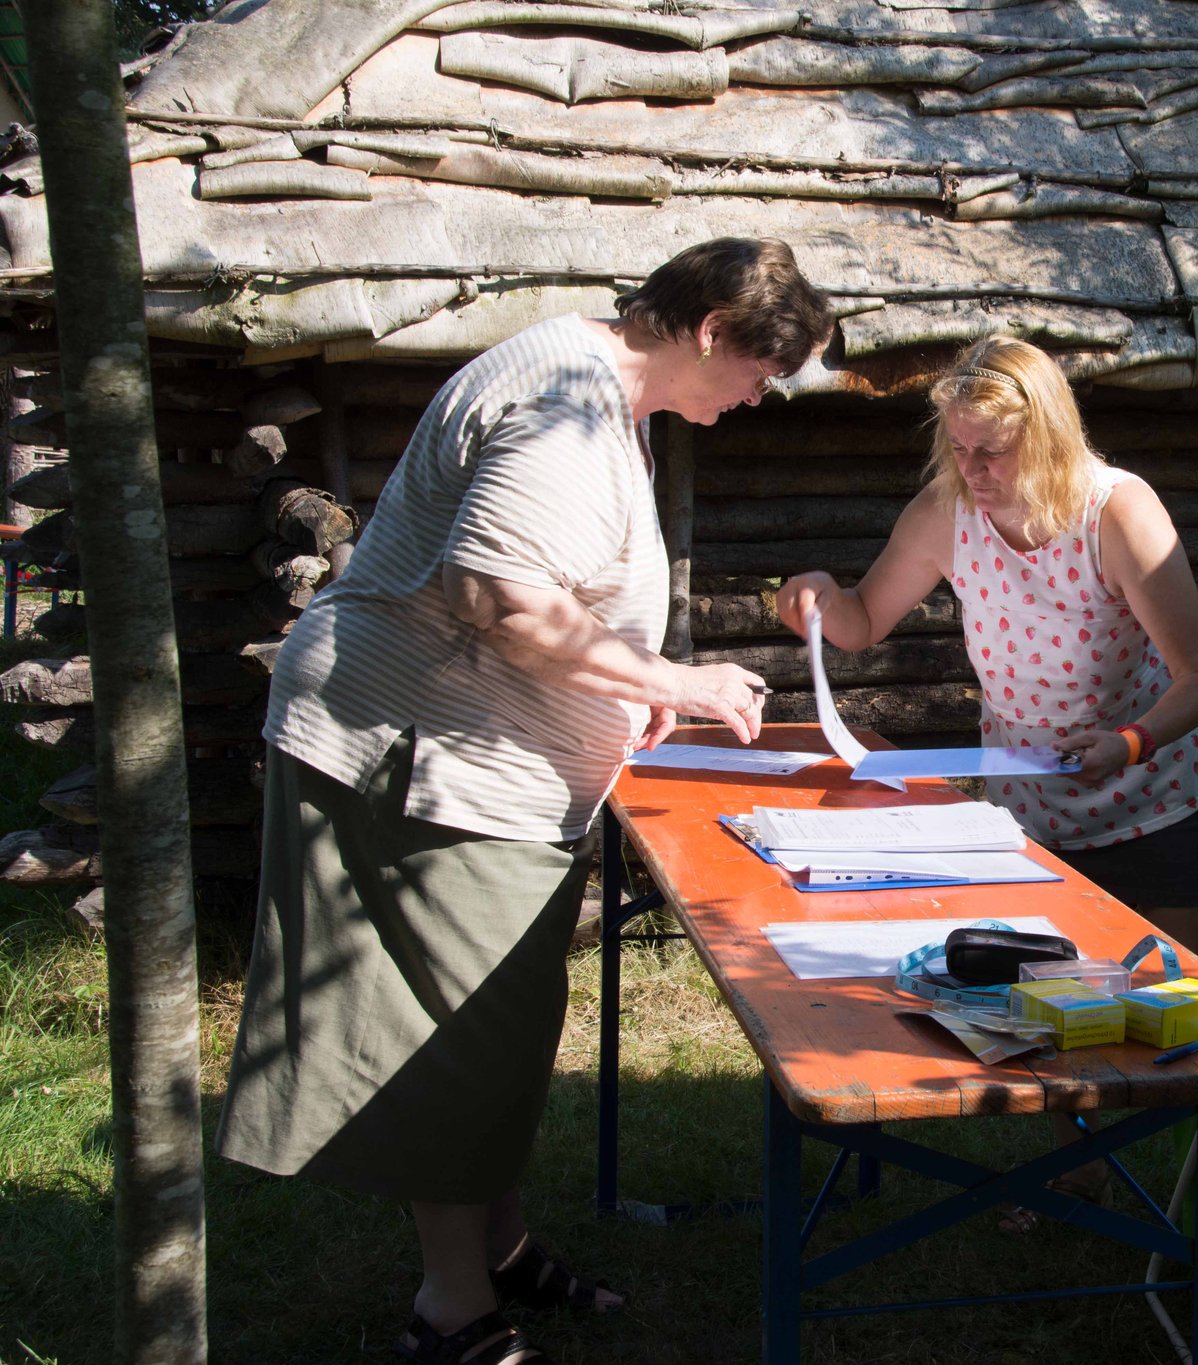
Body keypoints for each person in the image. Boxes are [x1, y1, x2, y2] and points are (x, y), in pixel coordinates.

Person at [215, 238, 835, 1365]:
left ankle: (496, 1249)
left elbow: (550, 589)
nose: (759, 397)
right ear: (710, 331)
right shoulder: (567, 402)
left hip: (484, 762)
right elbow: (498, 595)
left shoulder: (601, 391)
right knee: (453, 1038)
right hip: (420, 755)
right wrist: (670, 681)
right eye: (762, 371)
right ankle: (450, 1312)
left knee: (501, 1028)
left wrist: (619, 689)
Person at [776, 336, 1198, 965]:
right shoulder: (945, 513)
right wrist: (823, 596)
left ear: (1048, 438)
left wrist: (1129, 743)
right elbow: (862, 622)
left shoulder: (1117, 514)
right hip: (1030, 795)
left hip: (1156, 786)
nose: (972, 470)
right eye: (958, 447)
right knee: (1043, 986)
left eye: (993, 451)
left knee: (1181, 983)